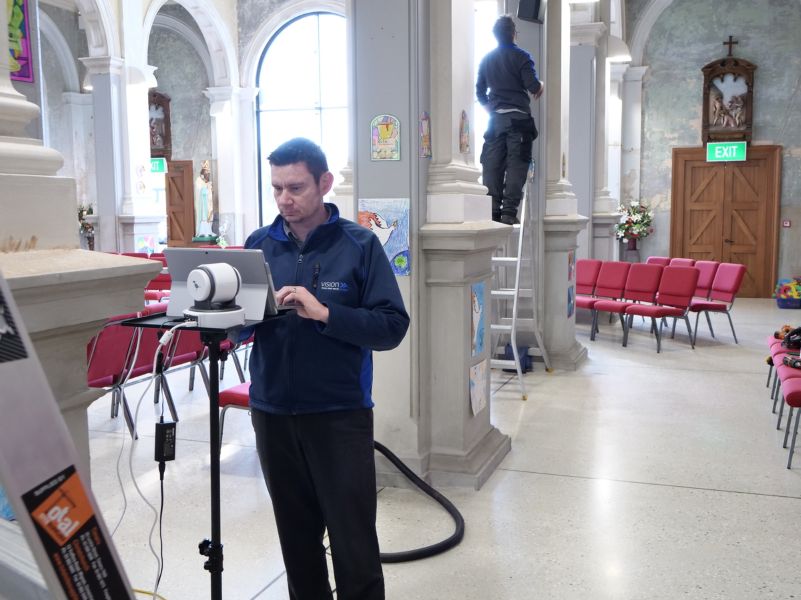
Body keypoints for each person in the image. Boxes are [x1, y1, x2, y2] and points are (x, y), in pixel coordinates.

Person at [244, 138, 409, 600]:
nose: (284, 199)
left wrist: (326, 314)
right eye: (276, 188)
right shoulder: (258, 246)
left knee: (354, 546)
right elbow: (238, 331)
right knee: (297, 545)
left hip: (338, 415)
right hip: (272, 412)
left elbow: (392, 327)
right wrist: (237, 316)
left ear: (324, 183)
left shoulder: (359, 246)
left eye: (295, 187)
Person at [476, 15, 544, 225]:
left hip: (495, 121)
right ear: (514, 34)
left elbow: (479, 92)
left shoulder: (486, 59)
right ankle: (508, 212)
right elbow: (533, 86)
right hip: (519, 120)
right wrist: (542, 84)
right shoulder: (522, 57)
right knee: (517, 163)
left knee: (492, 163)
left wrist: (492, 109)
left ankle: (493, 210)